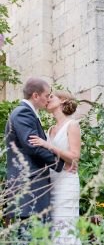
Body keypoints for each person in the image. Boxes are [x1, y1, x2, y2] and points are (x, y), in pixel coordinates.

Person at [28, 90, 82, 245]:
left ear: (63, 100)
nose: (47, 99)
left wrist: (48, 145)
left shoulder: (72, 125)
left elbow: (74, 158)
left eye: (51, 96)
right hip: (51, 183)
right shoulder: (50, 129)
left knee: (65, 224)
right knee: (53, 228)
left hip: (67, 182)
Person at [5, 78, 65, 225]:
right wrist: (60, 163)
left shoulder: (26, 113)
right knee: (30, 241)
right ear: (36, 96)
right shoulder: (23, 113)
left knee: (34, 241)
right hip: (29, 186)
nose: (48, 99)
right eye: (46, 95)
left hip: (32, 186)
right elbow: (33, 145)